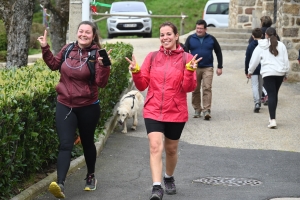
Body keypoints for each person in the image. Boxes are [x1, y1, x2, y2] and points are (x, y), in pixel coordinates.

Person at [125, 21, 201, 200]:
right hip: (153, 110)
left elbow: (188, 88)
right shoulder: (152, 57)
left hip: (176, 111)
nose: (165, 37)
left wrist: (189, 72)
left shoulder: (187, 59)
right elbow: (143, 84)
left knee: (171, 149)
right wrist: (136, 72)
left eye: (168, 34)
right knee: (154, 146)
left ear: (176, 37)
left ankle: (169, 177)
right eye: (162, 34)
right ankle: (157, 187)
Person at [37, 21, 111, 198]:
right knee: (65, 144)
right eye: (81, 31)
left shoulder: (96, 54)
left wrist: (105, 66)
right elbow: (54, 65)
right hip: (65, 104)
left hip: (88, 107)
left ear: (93, 36)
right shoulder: (68, 49)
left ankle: (91, 175)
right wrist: (45, 48)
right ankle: (60, 184)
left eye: (87, 32)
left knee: (87, 142)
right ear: (76, 33)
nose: (83, 34)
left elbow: (101, 83)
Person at [248, 27, 289, 129]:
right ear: (275, 34)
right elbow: (286, 61)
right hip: (280, 73)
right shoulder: (282, 45)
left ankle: (273, 119)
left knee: (271, 95)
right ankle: (272, 118)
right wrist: (286, 73)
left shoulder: (260, 46)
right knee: (274, 95)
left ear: (265, 35)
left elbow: (254, 60)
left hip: (268, 73)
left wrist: (250, 72)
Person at [184, 19, 223, 120]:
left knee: (207, 88)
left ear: (205, 29)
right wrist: (186, 66)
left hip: (208, 67)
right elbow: (185, 53)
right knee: (195, 89)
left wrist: (220, 66)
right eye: (197, 28)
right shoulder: (190, 38)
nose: (199, 30)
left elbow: (218, 52)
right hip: (194, 68)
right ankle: (197, 109)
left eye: (201, 28)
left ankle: (206, 110)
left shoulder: (211, 39)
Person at [249, 16, 281, 105]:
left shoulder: (258, 32)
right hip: (272, 59)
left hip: (259, 60)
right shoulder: (274, 33)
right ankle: (269, 96)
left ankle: (263, 96)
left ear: (261, 22)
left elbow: (251, 44)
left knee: (259, 81)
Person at [245, 28, 264, 113]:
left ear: (253, 36)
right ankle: (259, 100)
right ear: (262, 35)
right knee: (261, 85)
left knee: (255, 85)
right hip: (263, 67)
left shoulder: (250, 45)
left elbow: (247, 58)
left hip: (253, 68)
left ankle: (257, 102)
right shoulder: (264, 45)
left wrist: (247, 70)